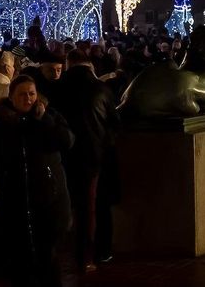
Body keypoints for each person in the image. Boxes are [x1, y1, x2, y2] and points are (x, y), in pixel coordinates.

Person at [0, 75, 74, 287]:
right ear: (11, 97)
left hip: (48, 198)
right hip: (14, 200)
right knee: (19, 260)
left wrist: (44, 119)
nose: (27, 98)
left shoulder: (49, 117)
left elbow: (66, 141)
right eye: (22, 94)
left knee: (49, 256)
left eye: (31, 93)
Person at [52, 50, 120, 273]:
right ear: (90, 66)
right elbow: (114, 122)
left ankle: (60, 251)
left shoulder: (58, 88)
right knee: (93, 207)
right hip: (95, 155)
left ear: (69, 64)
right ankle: (93, 253)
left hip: (64, 154)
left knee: (67, 204)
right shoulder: (101, 89)